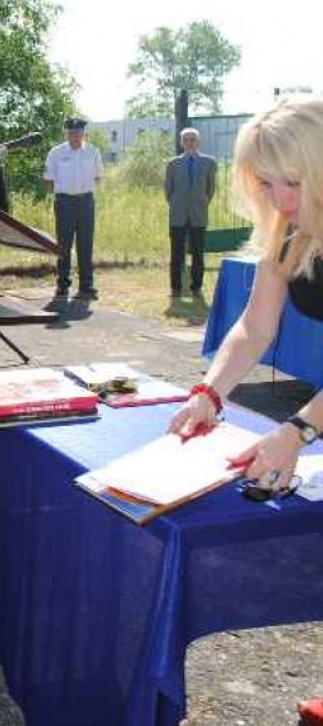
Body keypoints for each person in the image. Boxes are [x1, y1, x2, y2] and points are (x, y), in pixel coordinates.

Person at [165, 97, 323, 724]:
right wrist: (209, 392)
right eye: (268, 182)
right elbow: (253, 328)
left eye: (295, 180)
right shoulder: (290, 229)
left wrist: (300, 428)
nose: (281, 197)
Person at [44, 118, 103, 299]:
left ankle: (86, 285)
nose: (75, 136)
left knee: (86, 244)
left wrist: (83, 190)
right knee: (63, 244)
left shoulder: (93, 152)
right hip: (65, 203)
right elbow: (48, 180)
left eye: (78, 132)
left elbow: (99, 176)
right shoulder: (56, 152)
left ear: (83, 133)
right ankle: (63, 284)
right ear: (66, 133)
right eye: (71, 133)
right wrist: (62, 195)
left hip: (86, 202)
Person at [164, 127, 217, 296]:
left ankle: (197, 287)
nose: (189, 143)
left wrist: (202, 203)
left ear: (198, 142)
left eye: (192, 139)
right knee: (176, 254)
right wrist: (176, 203)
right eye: (186, 140)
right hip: (178, 214)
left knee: (198, 253)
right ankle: (176, 287)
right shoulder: (172, 164)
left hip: (198, 214)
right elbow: (168, 190)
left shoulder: (209, 162)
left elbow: (210, 189)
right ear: (181, 143)